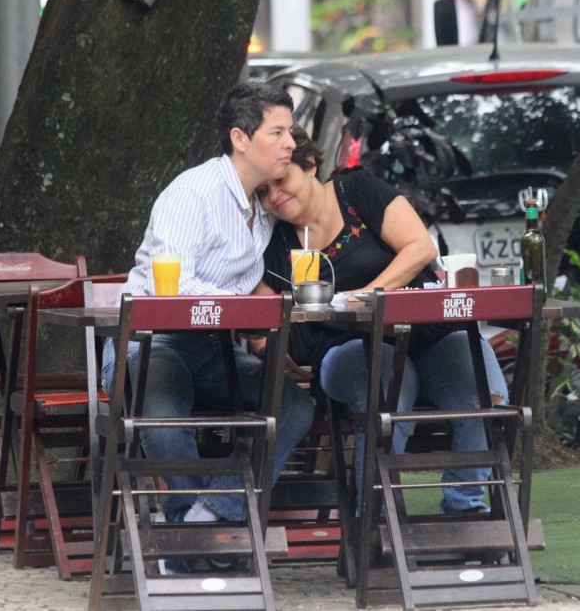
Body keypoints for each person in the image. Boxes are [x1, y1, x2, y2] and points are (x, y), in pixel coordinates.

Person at [102, 82, 314, 545]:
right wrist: (246, 311)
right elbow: (172, 287)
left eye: (291, 132)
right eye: (277, 132)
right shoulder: (194, 192)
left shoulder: (265, 205)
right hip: (152, 339)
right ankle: (187, 535)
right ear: (241, 139)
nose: (290, 143)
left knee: (294, 407)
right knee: (162, 419)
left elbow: (315, 205)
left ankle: (210, 518)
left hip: (215, 349)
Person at [257, 127, 509, 514]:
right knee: (393, 386)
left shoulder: (357, 192)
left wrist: (366, 297)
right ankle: (372, 521)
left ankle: (466, 511)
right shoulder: (277, 244)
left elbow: (419, 247)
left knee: (484, 394)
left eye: (280, 180)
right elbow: (268, 324)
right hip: (345, 349)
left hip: (429, 334)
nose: (274, 196)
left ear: (309, 164)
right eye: (263, 191)